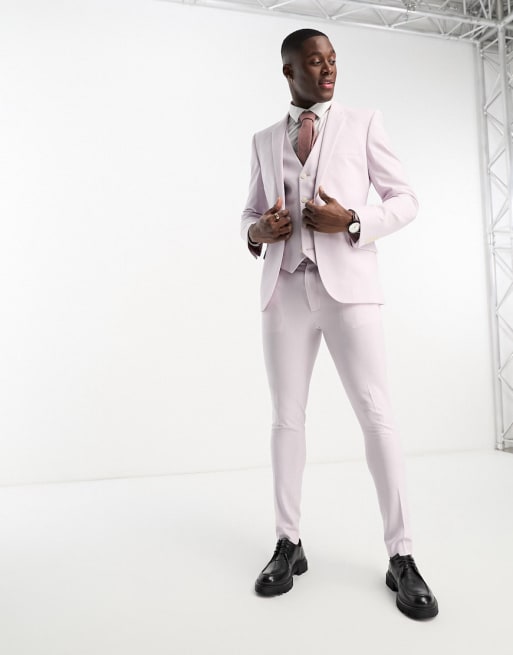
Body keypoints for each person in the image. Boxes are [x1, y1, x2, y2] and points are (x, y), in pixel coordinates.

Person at [240, 28, 438, 620]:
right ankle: (288, 542)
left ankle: (402, 555)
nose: (327, 69)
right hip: (285, 290)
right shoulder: (264, 139)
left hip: (349, 291)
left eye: (332, 60)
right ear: (289, 71)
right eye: (314, 62)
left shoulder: (363, 123)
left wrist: (352, 219)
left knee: (377, 416)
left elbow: (405, 199)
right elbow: (249, 214)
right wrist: (258, 232)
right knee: (286, 418)